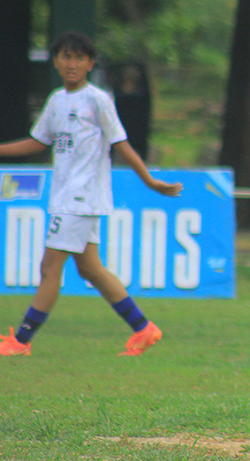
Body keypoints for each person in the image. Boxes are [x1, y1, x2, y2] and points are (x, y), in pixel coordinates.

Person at [0, 31, 183, 357]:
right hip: (68, 196)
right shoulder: (57, 99)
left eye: (79, 57)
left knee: (49, 268)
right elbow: (39, 141)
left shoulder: (97, 100)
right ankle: (144, 328)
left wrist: (150, 181)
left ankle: (21, 341)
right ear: (56, 61)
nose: (72, 63)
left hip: (80, 198)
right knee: (90, 270)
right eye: (66, 57)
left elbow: (121, 144)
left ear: (90, 63)